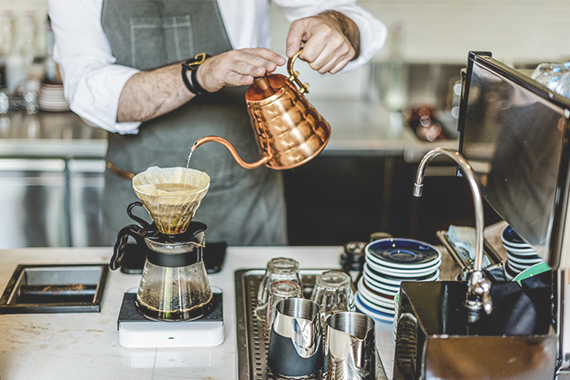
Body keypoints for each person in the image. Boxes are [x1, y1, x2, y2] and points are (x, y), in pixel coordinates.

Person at [48, 0, 387, 246]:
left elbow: (356, 22)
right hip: (138, 205)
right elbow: (88, 92)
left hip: (243, 199)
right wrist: (200, 73)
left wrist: (335, 26)